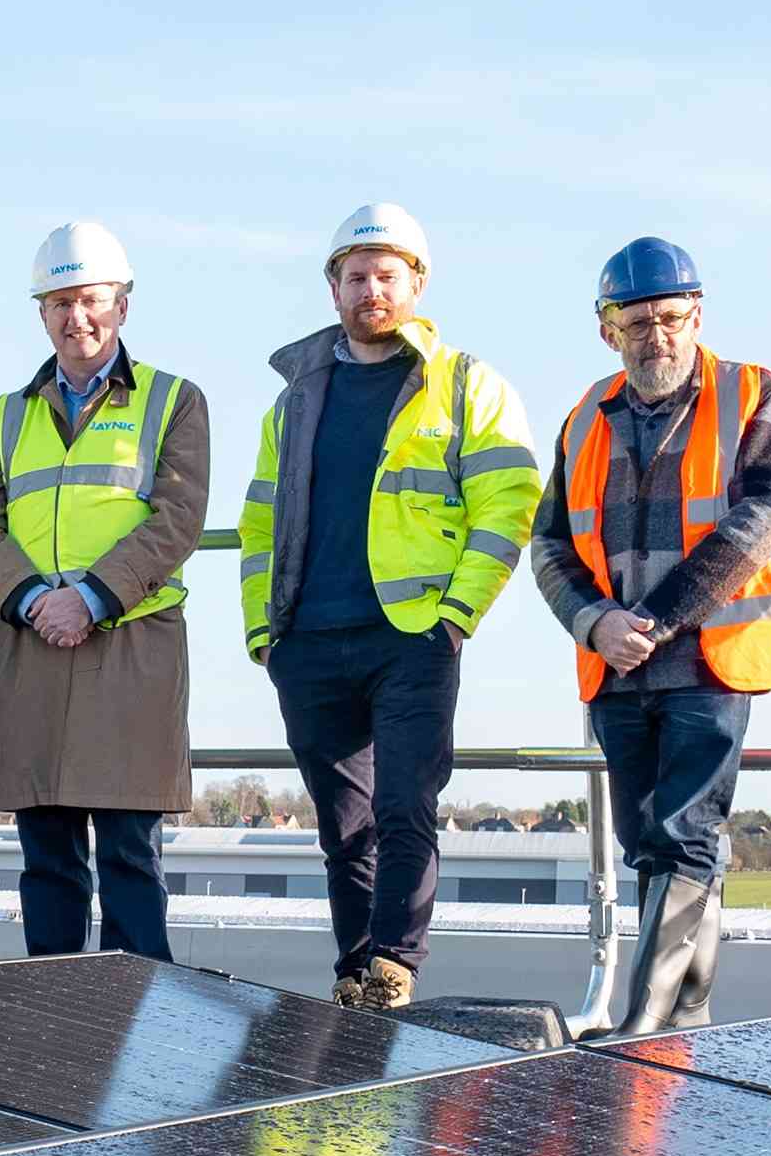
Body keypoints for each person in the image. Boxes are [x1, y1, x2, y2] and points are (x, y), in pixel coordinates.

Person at [231, 204, 541, 1010]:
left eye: (386, 274)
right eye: (356, 275)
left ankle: (395, 967)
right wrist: (265, 630)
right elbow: (260, 519)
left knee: (406, 802)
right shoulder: (296, 398)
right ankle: (353, 971)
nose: (372, 288)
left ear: (417, 283)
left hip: (413, 635)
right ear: (333, 287)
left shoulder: (467, 383)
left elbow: (509, 502)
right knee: (344, 827)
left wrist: (456, 614)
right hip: (309, 637)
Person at [534, 235, 771, 1033]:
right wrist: (596, 622)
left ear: (698, 314)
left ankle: (642, 1025)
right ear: (608, 328)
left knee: (685, 837)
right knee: (651, 847)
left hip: (710, 662)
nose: (659, 336)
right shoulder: (586, 417)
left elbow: (764, 517)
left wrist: (655, 618)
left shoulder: (751, 392)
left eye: (672, 318)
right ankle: (688, 1019)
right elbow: (547, 545)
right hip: (616, 669)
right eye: (638, 322)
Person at [0, 220, 213, 959]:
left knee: (131, 859)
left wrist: (92, 598)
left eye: (92, 300)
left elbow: (177, 519)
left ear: (123, 305)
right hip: (33, 649)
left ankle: (145, 1040)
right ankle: (54, 1037)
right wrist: (36, 599)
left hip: (130, 652)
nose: (78, 318)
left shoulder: (174, 401)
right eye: (60, 303)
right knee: (48, 864)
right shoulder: (7, 416)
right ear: (41, 313)